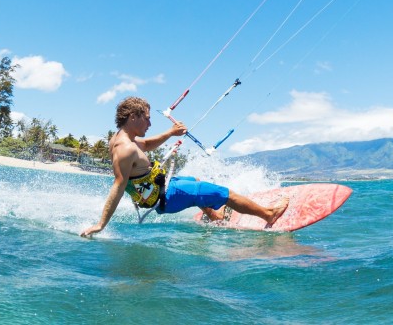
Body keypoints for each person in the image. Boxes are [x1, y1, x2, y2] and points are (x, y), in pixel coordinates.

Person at [80, 96, 288, 237]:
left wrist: (170, 133)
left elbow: (147, 145)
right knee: (226, 194)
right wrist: (101, 224)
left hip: (161, 191)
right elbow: (118, 186)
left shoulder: (122, 139)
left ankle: (213, 216)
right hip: (167, 197)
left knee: (194, 180)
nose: (150, 124)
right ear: (133, 116)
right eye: (147, 119)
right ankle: (269, 215)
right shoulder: (125, 148)